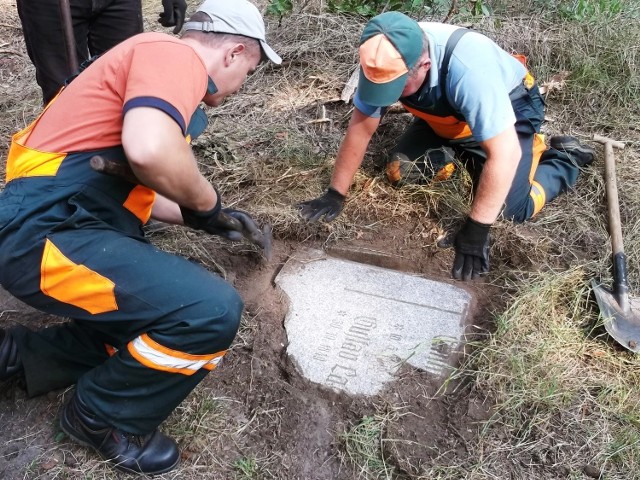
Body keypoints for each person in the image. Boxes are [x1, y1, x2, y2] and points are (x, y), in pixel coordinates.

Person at [0, 0, 281, 474]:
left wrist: (209, 219)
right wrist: (206, 202)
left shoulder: (150, 80)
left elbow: (141, 185)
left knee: (141, 328)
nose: (239, 88)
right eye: (249, 72)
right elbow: (151, 151)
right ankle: (100, 417)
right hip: (46, 233)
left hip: (59, 225)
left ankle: (14, 357)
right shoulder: (171, 54)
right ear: (233, 53)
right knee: (209, 311)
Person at [298, 12, 594, 281]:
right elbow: (361, 127)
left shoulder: (470, 71)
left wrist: (477, 229)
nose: (387, 97)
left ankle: (564, 158)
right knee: (402, 173)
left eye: (396, 88)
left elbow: (505, 155)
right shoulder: (382, 57)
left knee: (508, 210)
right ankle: (466, 150)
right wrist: (335, 194)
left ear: (424, 65)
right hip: (447, 117)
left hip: (509, 113)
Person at [17, 0, 188, 105]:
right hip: (50, 5)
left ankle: (121, 159)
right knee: (62, 95)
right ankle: (74, 159)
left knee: (128, 84)